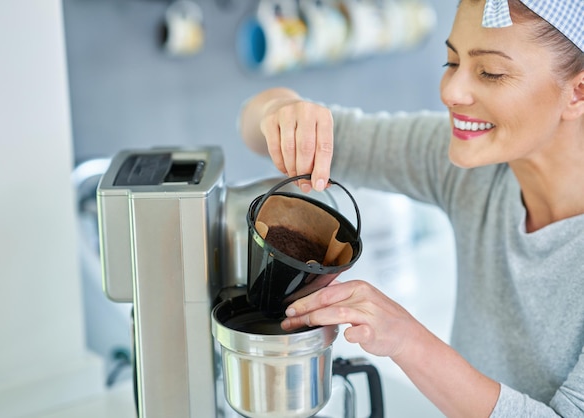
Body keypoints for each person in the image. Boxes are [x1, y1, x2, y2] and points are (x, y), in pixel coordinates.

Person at [238, 0, 584, 416]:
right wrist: (281, 112)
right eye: (451, 62)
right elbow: (256, 128)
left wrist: (406, 338)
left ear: (578, 92)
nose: (451, 92)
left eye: (490, 71)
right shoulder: (472, 164)